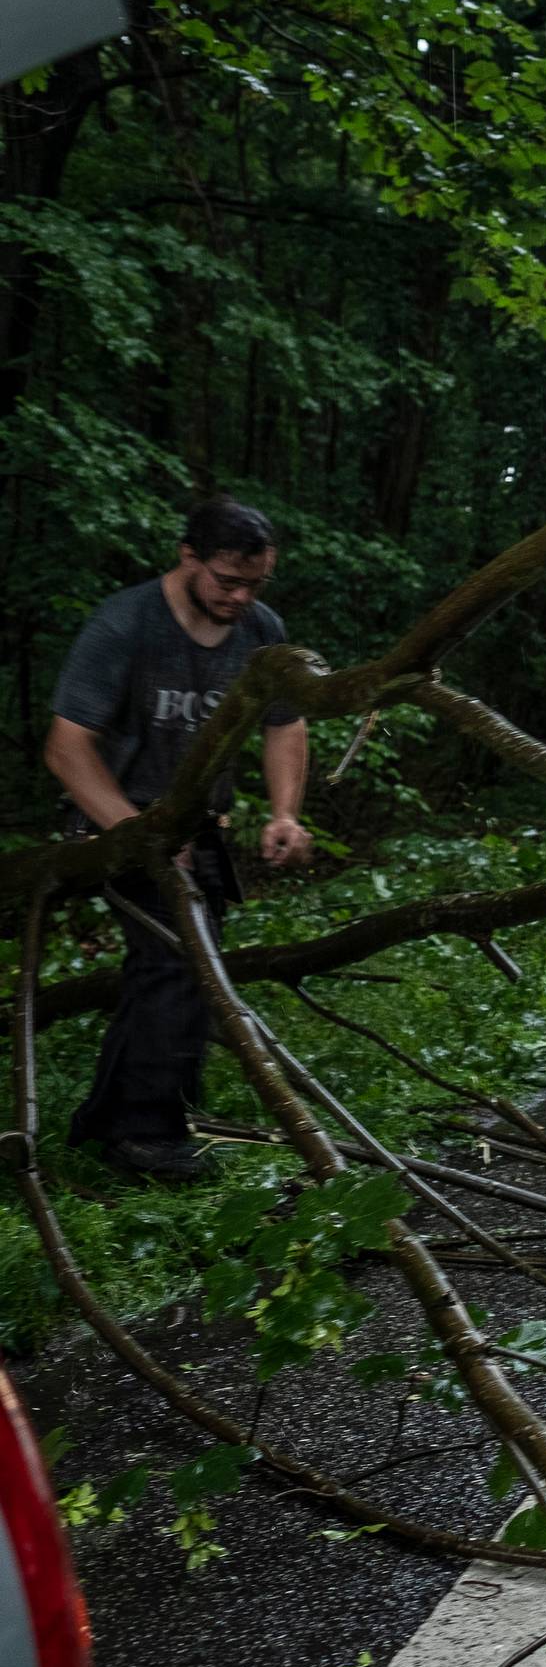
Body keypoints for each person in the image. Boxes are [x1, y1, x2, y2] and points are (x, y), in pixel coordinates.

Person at [45, 498, 313, 1181]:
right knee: (176, 964)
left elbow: (286, 723)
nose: (241, 596)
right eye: (228, 579)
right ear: (188, 556)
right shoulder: (125, 623)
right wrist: (138, 837)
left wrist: (285, 813)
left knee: (191, 968)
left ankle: (110, 1121)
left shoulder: (260, 629)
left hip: (199, 830)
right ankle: (146, 1137)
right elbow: (67, 748)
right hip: (115, 822)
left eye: (256, 583)